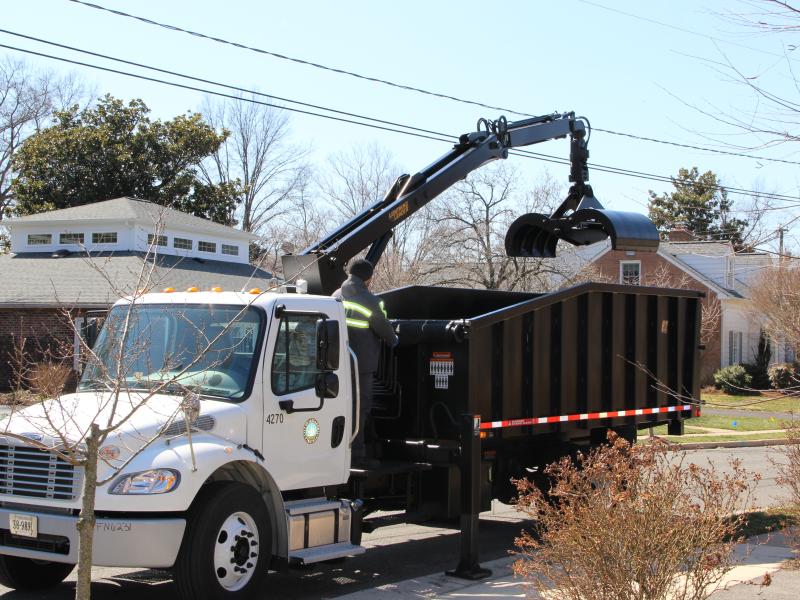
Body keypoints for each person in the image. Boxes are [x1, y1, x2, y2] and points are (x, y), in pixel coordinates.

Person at [332, 259, 398, 467]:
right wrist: (395, 340)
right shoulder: (371, 301)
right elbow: (385, 330)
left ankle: (338, 451)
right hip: (361, 366)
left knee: (341, 407)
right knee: (360, 408)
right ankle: (357, 456)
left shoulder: (335, 296)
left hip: (336, 364)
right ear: (368, 279)